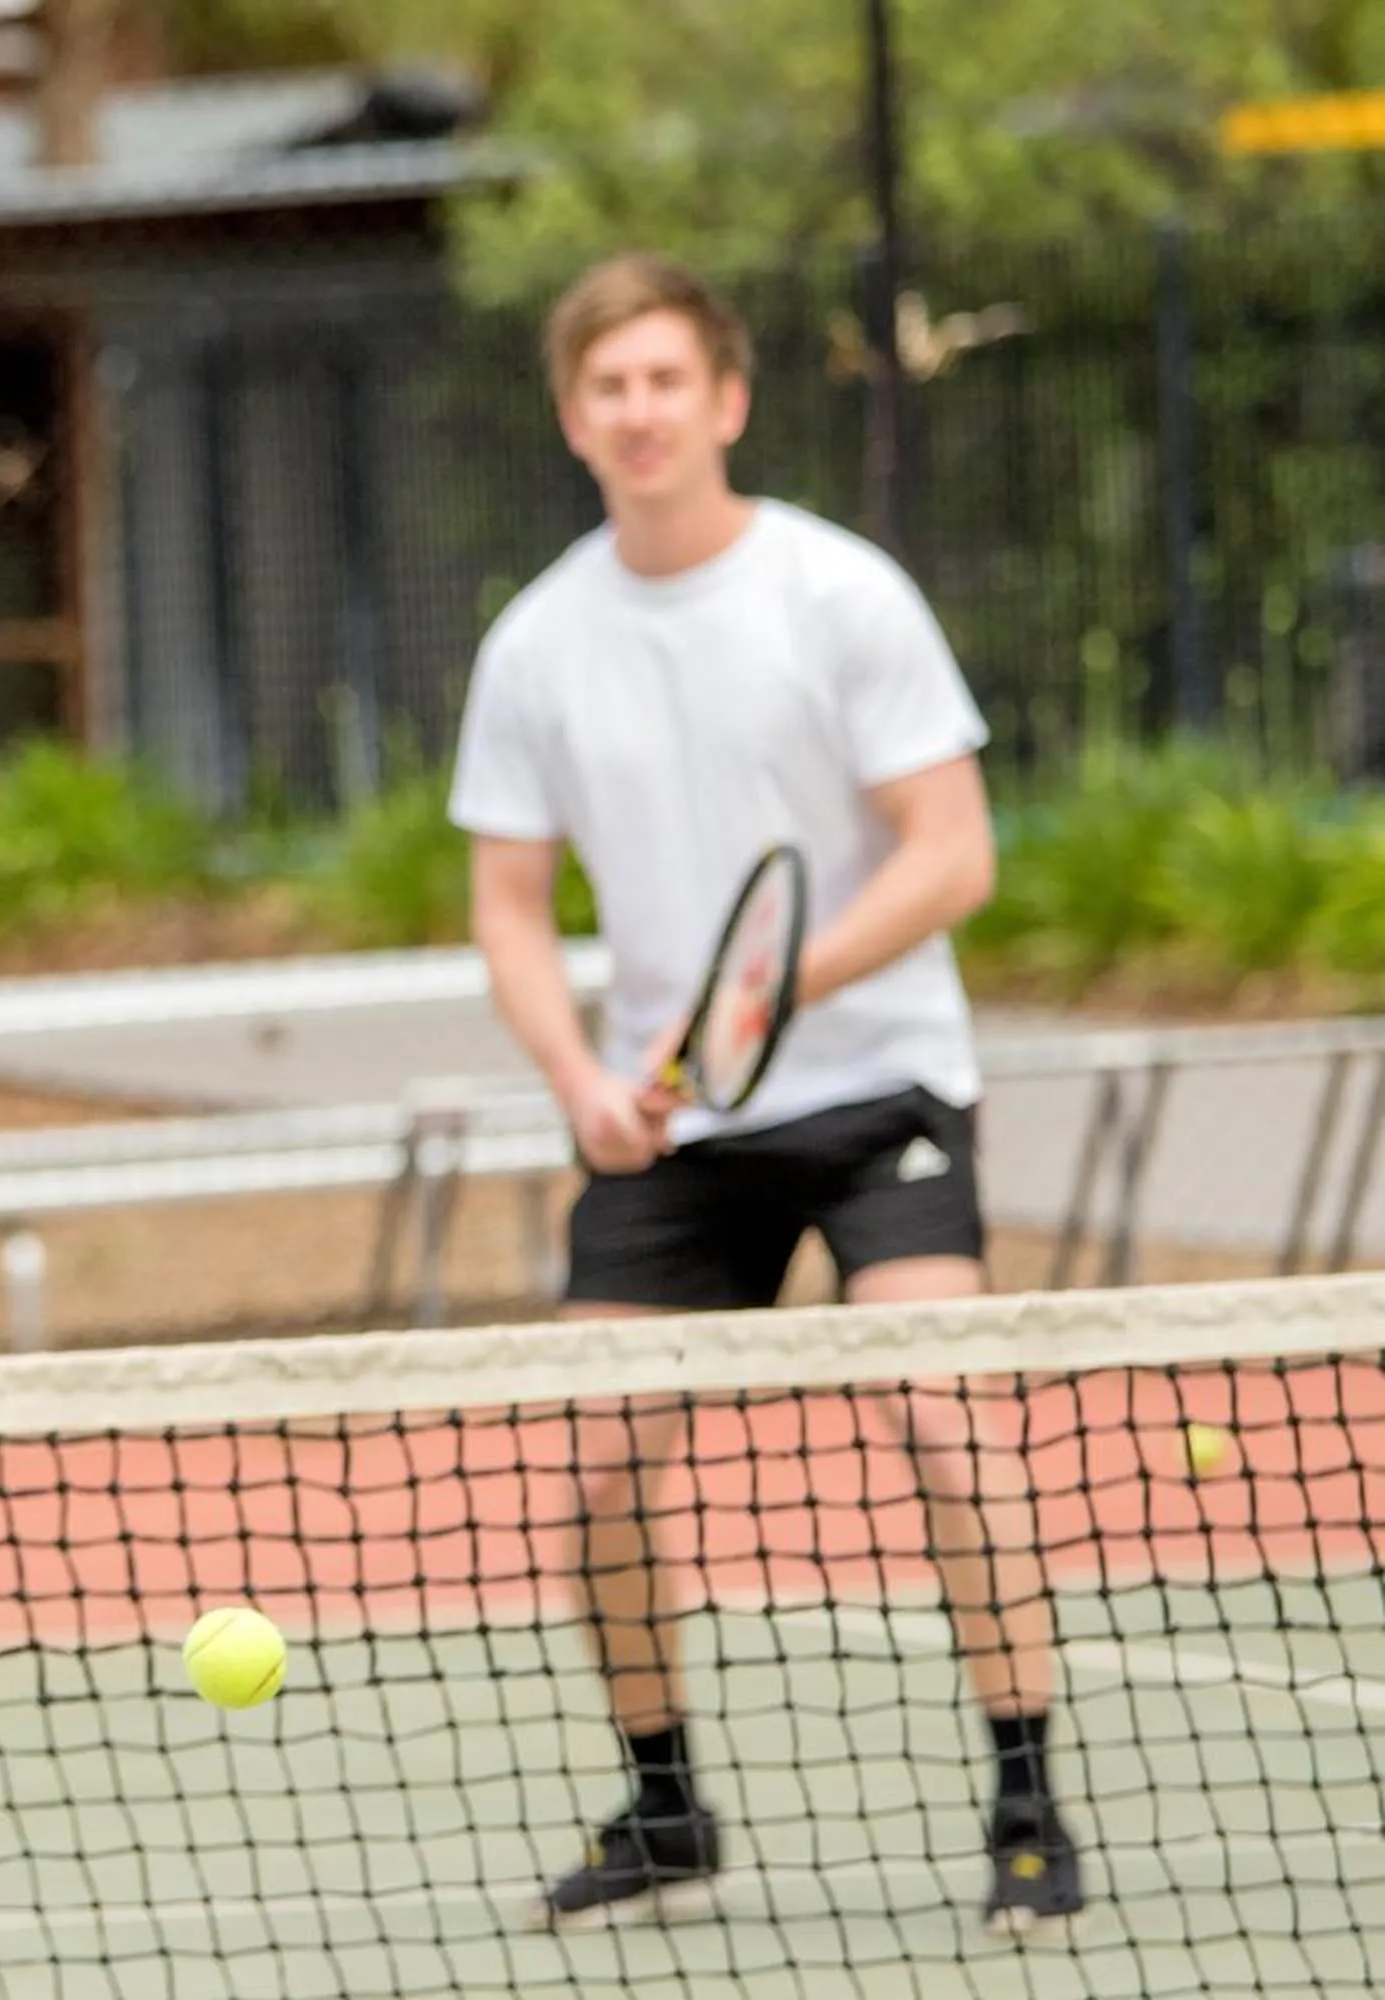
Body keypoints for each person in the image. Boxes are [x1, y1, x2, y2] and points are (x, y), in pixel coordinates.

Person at [448, 251, 1082, 1935]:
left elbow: (954, 856)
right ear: (574, 419)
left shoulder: (840, 595)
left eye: (667, 380)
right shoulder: (538, 645)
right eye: (607, 387)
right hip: (672, 1128)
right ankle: (665, 1805)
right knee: (591, 1468)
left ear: (723, 402)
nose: (639, 411)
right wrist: (583, 1079)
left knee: (950, 1425)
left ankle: (1029, 1801)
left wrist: (775, 988)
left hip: (883, 1091)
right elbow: (510, 907)